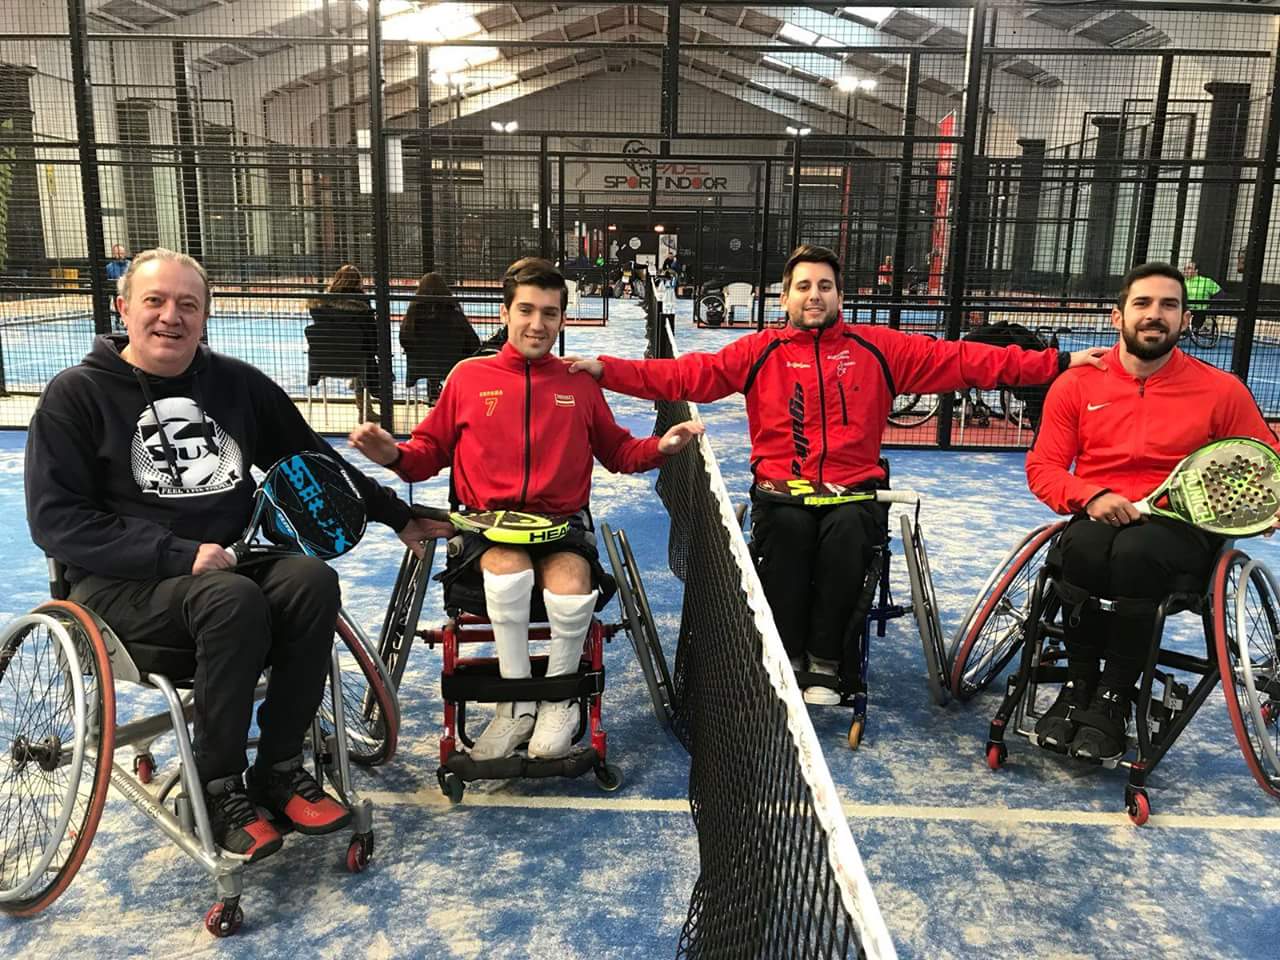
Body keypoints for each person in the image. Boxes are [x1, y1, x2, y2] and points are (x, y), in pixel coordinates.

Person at [25, 248, 432, 863]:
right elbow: (56, 521)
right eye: (155, 302)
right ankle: (216, 789)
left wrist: (399, 514)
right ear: (123, 308)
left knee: (309, 582)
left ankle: (278, 768)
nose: (171, 317)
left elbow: (312, 466)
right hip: (119, 592)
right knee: (233, 598)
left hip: (225, 575)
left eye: (188, 304)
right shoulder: (75, 395)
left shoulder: (235, 384)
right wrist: (176, 553)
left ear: (206, 316)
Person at [570, 244, 1106, 705]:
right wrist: (607, 370)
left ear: (838, 297)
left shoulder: (880, 348)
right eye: (803, 286)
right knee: (787, 539)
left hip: (856, 495)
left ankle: (828, 663)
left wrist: (1057, 363)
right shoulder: (760, 351)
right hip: (782, 495)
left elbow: (967, 360)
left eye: (825, 286)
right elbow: (686, 374)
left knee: (847, 542)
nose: (814, 295)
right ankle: (787, 658)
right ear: (785, 298)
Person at [349, 257, 702, 761]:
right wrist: (393, 456)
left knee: (571, 582)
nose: (539, 324)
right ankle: (514, 705)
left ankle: (559, 703)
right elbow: (425, 456)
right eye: (527, 311)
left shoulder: (580, 384)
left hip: (562, 527)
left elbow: (619, 452)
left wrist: (660, 448)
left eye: (551, 313)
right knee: (507, 568)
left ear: (562, 319)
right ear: (505, 313)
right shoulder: (468, 378)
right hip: (487, 529)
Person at [1025, 261, 1279, 761]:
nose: (1155, 315)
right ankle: (1079, 689)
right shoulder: (1076, 386)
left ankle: (1115, 698)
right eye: (1143, 304)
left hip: (1180, 528)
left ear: (1185, 320)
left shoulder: (1221, 390)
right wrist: (1090, 497)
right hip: (1099, 514)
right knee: (1082, 546)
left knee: (1136, 552)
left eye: (1169, 305)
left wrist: (1269, 505)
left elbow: (1265, 463)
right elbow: (1045, 467)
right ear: (1117, 316)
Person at [307, 264, 382, 419]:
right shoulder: (363, 305)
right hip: (356, 360)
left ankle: (363, 402)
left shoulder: (321, 307)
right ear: (357, 282)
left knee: (358, 355)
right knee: (364, 358)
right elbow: (371, 336)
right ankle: (364, 409)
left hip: (325, 361)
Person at [399, 272, 480, 403]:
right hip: (452, 365)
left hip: (420, 366)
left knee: (432, 363)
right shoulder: (454, 314)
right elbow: (473, 342)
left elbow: (404, 339)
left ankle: (434, 395)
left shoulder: (413, 315)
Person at [1182, 261, 1222, 333]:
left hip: (1200, 311)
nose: (1186, 271)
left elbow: (1219, 294)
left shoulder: (1206, 281)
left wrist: (1212, 307)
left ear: (1196, 270)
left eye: (1189, 268)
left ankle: (1194, 328)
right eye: (1185, 269)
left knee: (1199, 313)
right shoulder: (1181, 282)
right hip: (1184, 309)